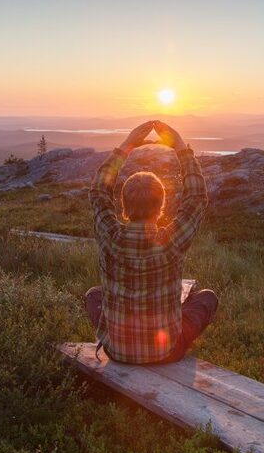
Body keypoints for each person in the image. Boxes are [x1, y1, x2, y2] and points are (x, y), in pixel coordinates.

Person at [85, 120, 218, 364]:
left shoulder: (110, 237)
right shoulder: (171, 241)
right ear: (161, 207)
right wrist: (180, 147)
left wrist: (127, 145)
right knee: (207, 298)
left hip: (117, 351)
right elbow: (196, 197)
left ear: (124, 207)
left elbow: (98, 191)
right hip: (165, 351)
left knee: (93, 295)